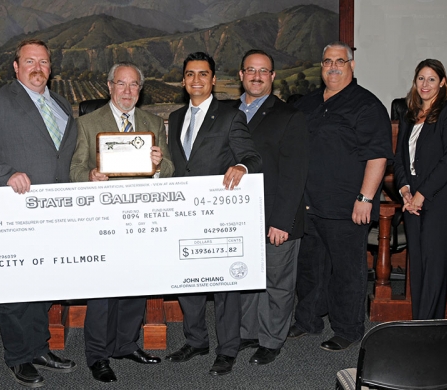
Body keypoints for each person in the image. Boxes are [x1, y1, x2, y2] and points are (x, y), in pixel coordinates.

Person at [0, 38, 77, 388]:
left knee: (44, 284)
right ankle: (18, 357)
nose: (37, 68)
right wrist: (5, 174)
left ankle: (39, 348)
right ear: (16, 66)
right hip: (15, 211)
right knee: (16, 288)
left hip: (55, 210)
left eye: (43, 62)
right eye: (29, 61)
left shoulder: (62, 103)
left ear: (50, 67)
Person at [70, 62, 173, 382]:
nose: (127, 91)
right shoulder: (87, 123)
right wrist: (90, 176)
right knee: (102, 290)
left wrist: (158, 165)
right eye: (121, 84)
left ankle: (126, 343)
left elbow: (170, 169)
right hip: (102, 217)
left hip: (141, 218)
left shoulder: (153, 123)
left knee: (135, 285)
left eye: (134, 86)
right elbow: (73, 171)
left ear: (140, 91)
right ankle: (98, 355)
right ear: (109, 86)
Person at [288, 41, 392, 351]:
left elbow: (378, 156)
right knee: (310, 267)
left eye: (340, 61)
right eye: (327, 61)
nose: (333, 66)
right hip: (309, 204)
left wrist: (366, 198)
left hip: (348, 206)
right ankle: (308, 320)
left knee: (347, 270)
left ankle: (348, 328)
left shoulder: (367, 105)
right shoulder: (307, 104)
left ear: (352, 66)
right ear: (321, 66)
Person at [164, 52, 262, 376]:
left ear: (214, 79)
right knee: (187, 282)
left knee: (224, 287)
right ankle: (196, 341)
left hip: (218, 216)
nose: (196, 80)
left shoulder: (231, 116)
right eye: (190, 74)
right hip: (182, 215)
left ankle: (228, 349)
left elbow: (251, 155)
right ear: (183, 80)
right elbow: (180, 165)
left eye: (203, 74)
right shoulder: (176, 117)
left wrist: (241, 165)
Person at [234, 50, 308, 365]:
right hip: (239, 218)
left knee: (277, 282)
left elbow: (295, 175)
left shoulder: (289, 116)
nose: (257, 76)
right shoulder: (228, 114)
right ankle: (248, 332)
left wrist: (282, 222)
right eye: (251, 70)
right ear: (240, 75)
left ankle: (272, 339)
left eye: (264, 71)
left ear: (273, 77)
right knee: (246, 279)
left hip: (276, 217)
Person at [393, 59, 447, 320]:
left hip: (442, 198)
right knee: (418, 267)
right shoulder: (409, 114)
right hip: (412, 199)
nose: (425, 84)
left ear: (443, 82)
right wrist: (405, 191)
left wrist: (421, 194)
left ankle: (427, 330)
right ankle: (418, 325)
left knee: (434, 267)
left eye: (431, 79)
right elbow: (399, 158)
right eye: (421, 78)